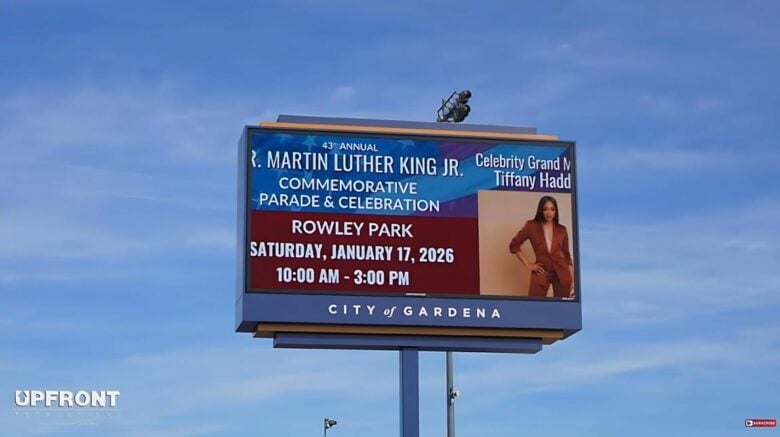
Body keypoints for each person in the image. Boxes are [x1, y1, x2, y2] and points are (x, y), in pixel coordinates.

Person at [508, 196, 575, 298]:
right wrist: (528, 264)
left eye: (552, 209)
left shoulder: (562, 230)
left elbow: (567, 257)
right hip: (542, 270)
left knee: (562, 309)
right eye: (545, 209)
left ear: (556, 211)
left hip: (562, 272)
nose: (549, 213)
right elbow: (514, 245)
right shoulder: (531, 226)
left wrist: (573, 281)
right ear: (541, 210)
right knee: (535, 306)